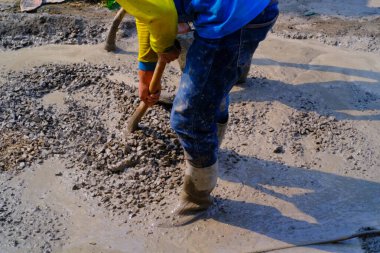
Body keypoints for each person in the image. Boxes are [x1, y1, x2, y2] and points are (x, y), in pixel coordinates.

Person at [116, 0, 279, 216]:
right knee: (211, 90)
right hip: (246, 8)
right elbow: (148, 12)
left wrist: (162, 45)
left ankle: (196, 199)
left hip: (231, 18)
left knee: (188, 117)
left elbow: (160, 13)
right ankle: (210, 148)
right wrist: (146, 71)